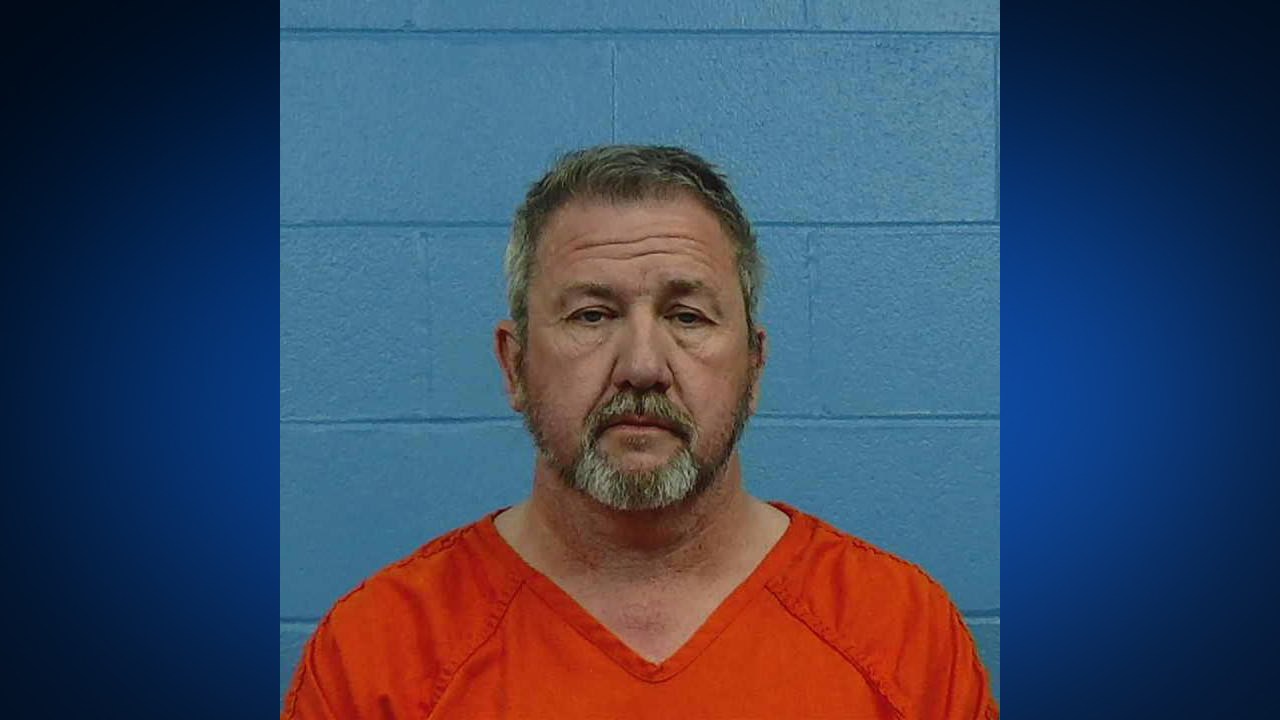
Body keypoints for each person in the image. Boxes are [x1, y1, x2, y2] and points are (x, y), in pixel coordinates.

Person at [282, 145, 999, 719]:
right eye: (592, 316)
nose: (643, 366)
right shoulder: (379, 651)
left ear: (753, 367)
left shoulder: (901, 632)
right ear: (515, 365)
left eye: (687, 316)